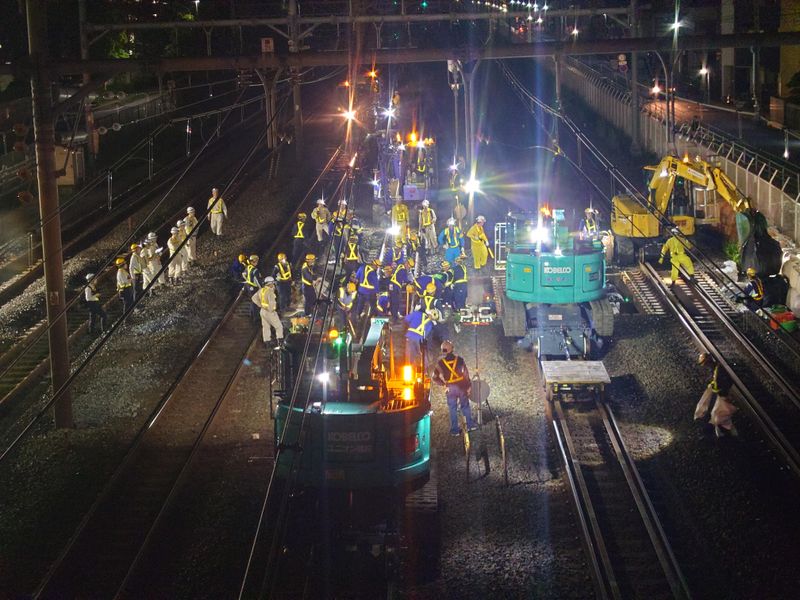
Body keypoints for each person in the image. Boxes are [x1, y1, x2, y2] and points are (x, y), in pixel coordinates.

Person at [433, 340, 477, 435]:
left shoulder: (440, 363)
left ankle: (454, 430)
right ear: (452, 349)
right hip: (461, 386)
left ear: (443, 350)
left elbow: (434, 377)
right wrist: (468, 386)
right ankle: (470, 425)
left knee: (452, 408)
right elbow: (466, 374)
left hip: (450, 388)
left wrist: (443, 384)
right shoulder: (460, 359)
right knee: (465, 406)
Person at [694, 352, 738, 437]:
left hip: (722, 395)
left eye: (705, 364)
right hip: (721, 394)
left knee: (719, 414)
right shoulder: (716, 368)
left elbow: (717, 385)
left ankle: (728, 434)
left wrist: (712, 388)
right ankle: (724, 432)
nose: (705, 366)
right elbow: (716, 382)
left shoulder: (717, 370)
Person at [251, 277, 283, 349]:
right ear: (270, 283)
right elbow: (272, 302)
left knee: (266, 327)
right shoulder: (270, 291)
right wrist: (271, 309)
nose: (274, 284)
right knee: (279, 327)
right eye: (273, 283)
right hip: (270, 312)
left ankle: (267, 343)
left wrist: (260, 305)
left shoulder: (261, 290)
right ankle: (280, 343)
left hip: (262, 311)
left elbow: (253, 298)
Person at [243, 255, 262, 320]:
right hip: (253, 287)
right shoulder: (255, 270)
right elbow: (257, 281)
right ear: (255, 261)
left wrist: (247, 280)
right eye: (256, 261)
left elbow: (243, 274)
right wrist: (261, 288)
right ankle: (256, 317)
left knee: (252, 301)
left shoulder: (248, 267)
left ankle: (251, 314)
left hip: (248, 286)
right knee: (255, 302)